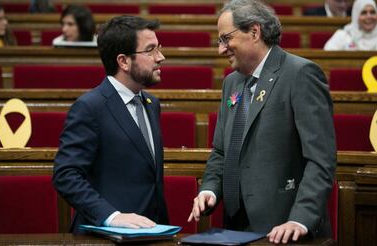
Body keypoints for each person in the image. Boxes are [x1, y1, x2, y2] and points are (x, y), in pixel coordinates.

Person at [188, 0, 336, 244]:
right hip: (235, 226)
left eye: (226, 39)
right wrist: (210, 190)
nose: (221, 50)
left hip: (285, 227)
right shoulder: (231, 83)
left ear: (254, 32)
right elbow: (221, 151)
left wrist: (300, 218)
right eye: (219, 41)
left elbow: (321, 159)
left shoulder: (301, 74)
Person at [52, 15, 168, 233]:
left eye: (159, 48)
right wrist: (110, 216)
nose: (160, 57)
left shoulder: (152, 104)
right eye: (151, 50)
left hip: (151, 232)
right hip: (105, 236)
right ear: (123, 61)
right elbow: (66, 175)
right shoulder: (89, 107)